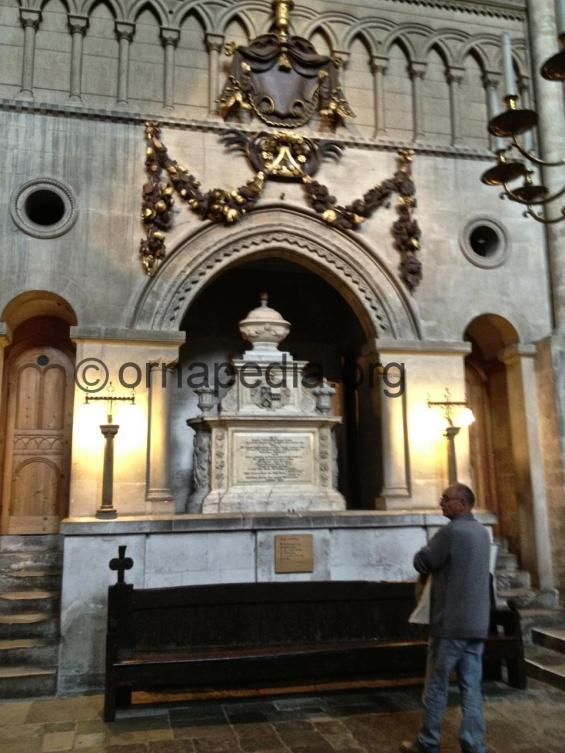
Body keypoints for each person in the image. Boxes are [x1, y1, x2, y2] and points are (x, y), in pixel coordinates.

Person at [400, 483, 492, 753]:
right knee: (471, 687)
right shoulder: (481, 532)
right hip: (476, 624)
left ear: (462, 504)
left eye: (447, 498)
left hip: (450, 624)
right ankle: (474, 744)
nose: (441, 502)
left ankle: (428, 742)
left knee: (436, 686)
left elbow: (422, 561)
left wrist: (427, 548)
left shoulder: (452, 531)